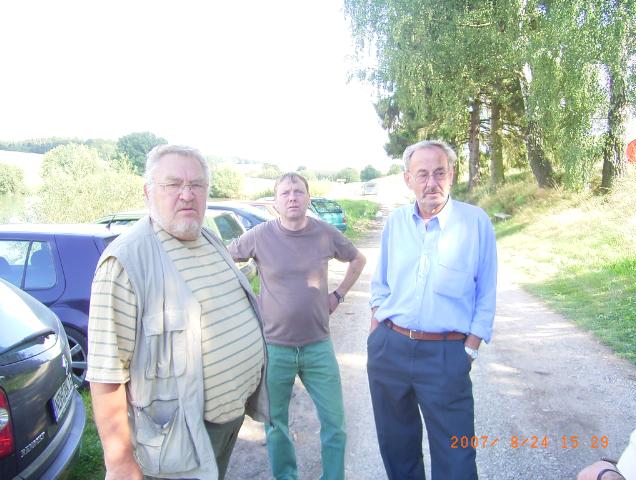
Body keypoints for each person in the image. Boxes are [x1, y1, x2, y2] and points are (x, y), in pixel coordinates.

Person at [87, 144, 269, 480]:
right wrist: (121, 463)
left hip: (226, 423)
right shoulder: (125, 263)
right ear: (148, 192)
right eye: (173, 184)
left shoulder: (209, 239)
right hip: (175, 441)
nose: (187, 194)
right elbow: (106, 373)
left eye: (197, 185)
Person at [367, 140, 497, 480]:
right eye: (422, 174)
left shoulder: (475, 222)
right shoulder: (396, 222)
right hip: (390, 349)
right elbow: (380, 284)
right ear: (408, 179)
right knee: (397, 448)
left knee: (456, 459)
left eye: (439, 173)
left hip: (445, 353)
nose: (431, 182)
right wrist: (376, 335)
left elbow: (486, 293)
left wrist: (470, 348)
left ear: (451, 174)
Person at [228, 172, 366, 480]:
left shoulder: (325, 233)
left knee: (335, 424)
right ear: (276, 202)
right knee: (275, 424)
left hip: (318, 346)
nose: (292, 197)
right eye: (286, 193)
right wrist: (243, 303)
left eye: (298, 192)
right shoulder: (260, 235)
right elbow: (224, 258)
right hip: (275, 348)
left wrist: (338, 295)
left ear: (308, 198)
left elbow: (358, 260)